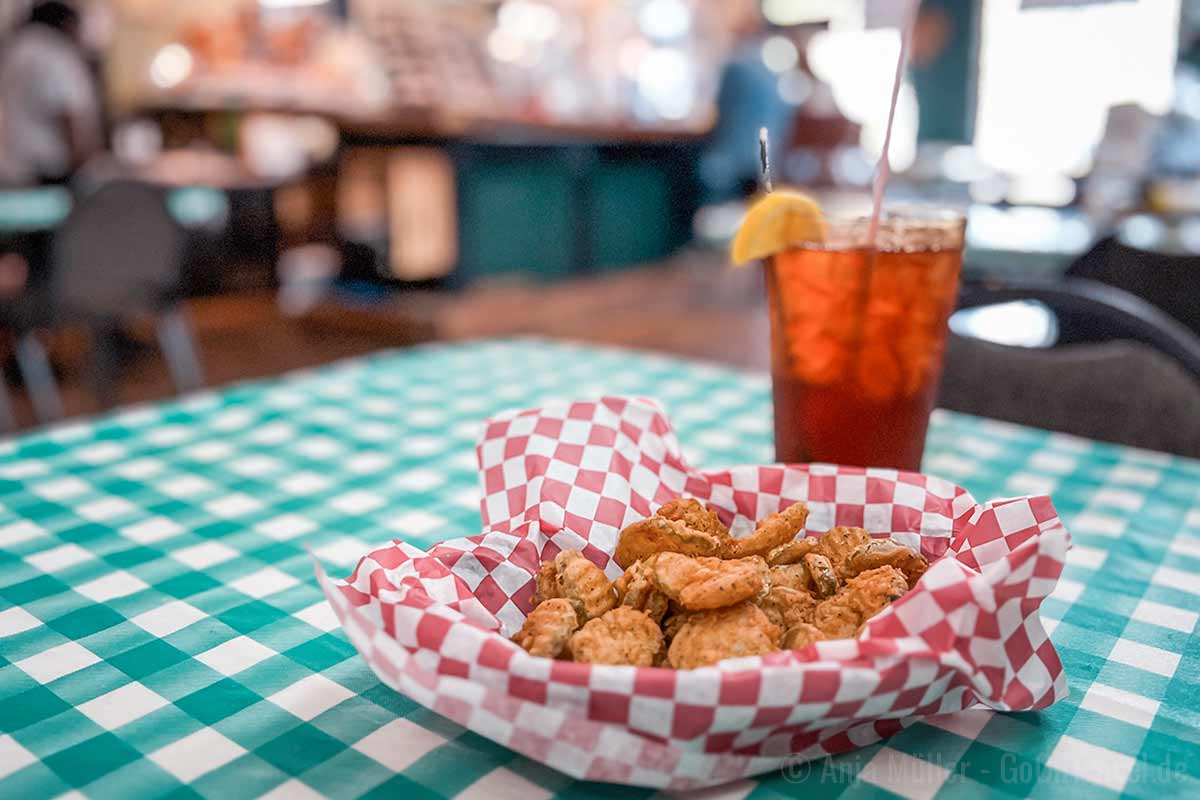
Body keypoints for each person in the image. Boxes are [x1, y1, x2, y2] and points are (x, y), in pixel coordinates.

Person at [0, 1, 102, 186]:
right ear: (67, 24)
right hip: (52, 171)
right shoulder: (53, 51)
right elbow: (67, 113)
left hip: (15, 169)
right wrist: (83, 162)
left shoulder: (15, 51)